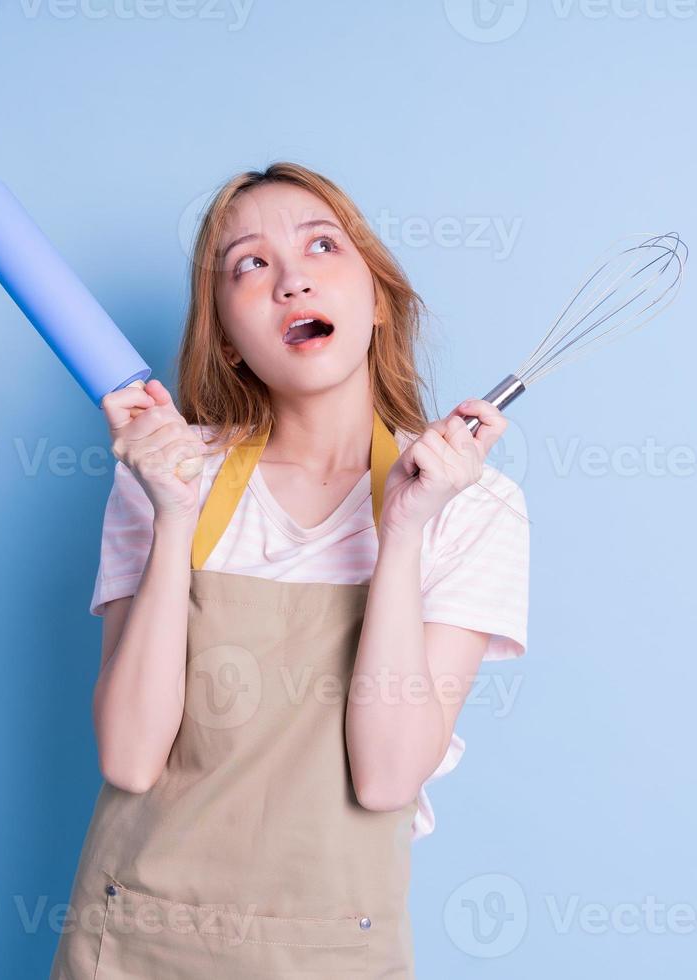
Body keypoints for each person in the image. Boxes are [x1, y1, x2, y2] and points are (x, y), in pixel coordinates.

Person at [49, 162, 530, 979]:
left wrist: (405, 531)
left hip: (335, 954)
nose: (291, 280)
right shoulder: (163, 473)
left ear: (376, 300)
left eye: (320, 246)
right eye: (250, 264)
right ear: (227, 339)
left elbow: (385, 777)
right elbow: (131, 757)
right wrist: (171, 514)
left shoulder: (472, 505)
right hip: (134, 948)